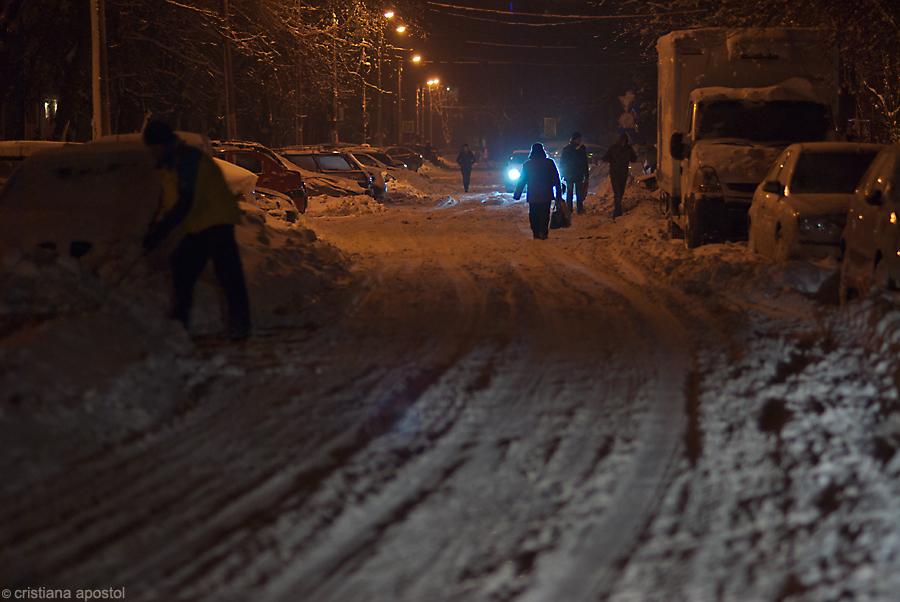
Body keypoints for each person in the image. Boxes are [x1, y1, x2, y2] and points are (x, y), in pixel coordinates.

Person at [141, 120, 251, 340]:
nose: (151, 153)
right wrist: (155, 226)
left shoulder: (187, 160)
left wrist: (161, 232)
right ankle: (180, 323)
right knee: (182, 266)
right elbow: (168, 201)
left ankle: (240, 325)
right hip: (200, 223)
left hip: (216, 221)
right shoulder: (171, 162)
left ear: (161, 144)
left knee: (228, 274)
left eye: (152, 148)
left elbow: (185, 200)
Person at [513, 143, 563, 240]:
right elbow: (556, 179)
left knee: (534, 214)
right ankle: (543, 232)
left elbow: (522, 180)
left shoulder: (527, 164)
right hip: (546, 194)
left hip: (533, 194)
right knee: (545, 214)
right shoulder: (549, 163)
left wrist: (517, 194)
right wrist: (558, 193)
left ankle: (535, 232)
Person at [602, 133, 638, 220]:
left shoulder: (628, 149)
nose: (624, 142)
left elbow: (634, 158)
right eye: (623, 141)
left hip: (623, 173)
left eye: (625, 141)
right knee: (617, 192)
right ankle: (617, 211)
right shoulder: (613, 148)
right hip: (615, 173)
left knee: (620, 192)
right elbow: (606, 157)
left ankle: (618, 209)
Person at [560, 131, 590, 215]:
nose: (580, 141)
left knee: (575, 192)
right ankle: (574, 209)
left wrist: (586, 174)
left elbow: (584, 162)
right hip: (574, 174)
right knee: (574, 192)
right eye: (578, 139)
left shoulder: (576, 149)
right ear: (574, 139)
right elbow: (563, 162)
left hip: (573, 174)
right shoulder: (576, 149)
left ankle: (574, 208)